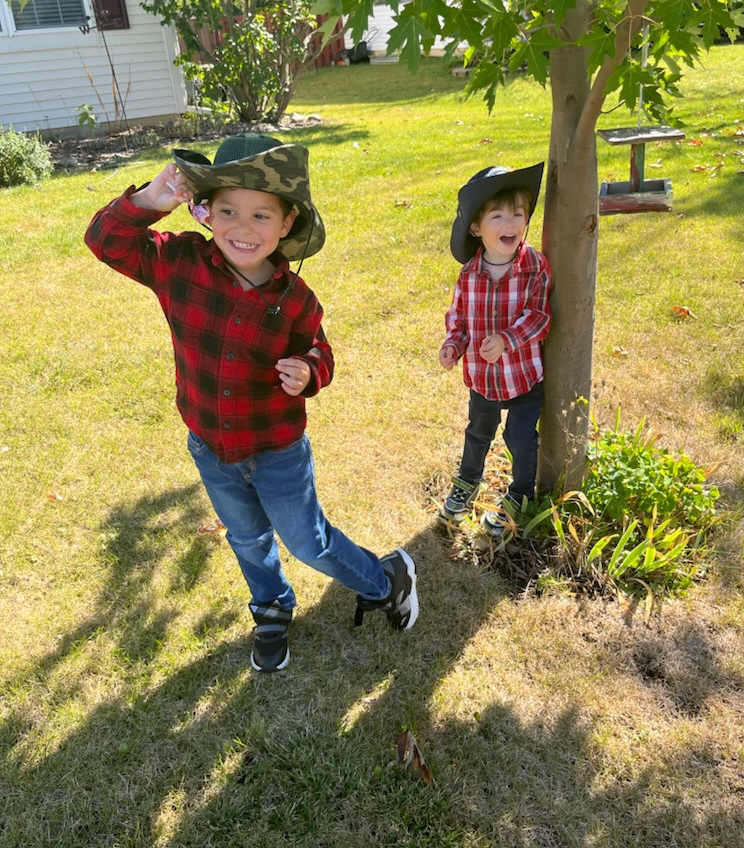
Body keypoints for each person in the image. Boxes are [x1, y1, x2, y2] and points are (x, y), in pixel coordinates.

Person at [85, 133, 418, 673]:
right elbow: (105, 242)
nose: (242, 228)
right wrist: (148, 200)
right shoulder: (179, 262)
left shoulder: (296, 299)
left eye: (261, 215)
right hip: (210, 446)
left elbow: (320, 351)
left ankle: (385, 579)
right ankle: (271, 605)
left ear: (287, 224)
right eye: (228, 211)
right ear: (205, 212)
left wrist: (309, 371)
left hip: (277, 450)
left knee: (307, 541)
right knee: (245, 536)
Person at [439, 163, 551, 536]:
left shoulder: (534, 266)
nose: (510, 223)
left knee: (520, 437)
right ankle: (468, 480)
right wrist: (453, 345)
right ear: (476, 228)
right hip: (483, 378)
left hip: (523, 377)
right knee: (478, 432)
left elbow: (540, 317)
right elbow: (459, 320)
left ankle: (520, 494)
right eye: (498, 216)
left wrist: (507, 339)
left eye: (518, 214)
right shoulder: (469, 275)